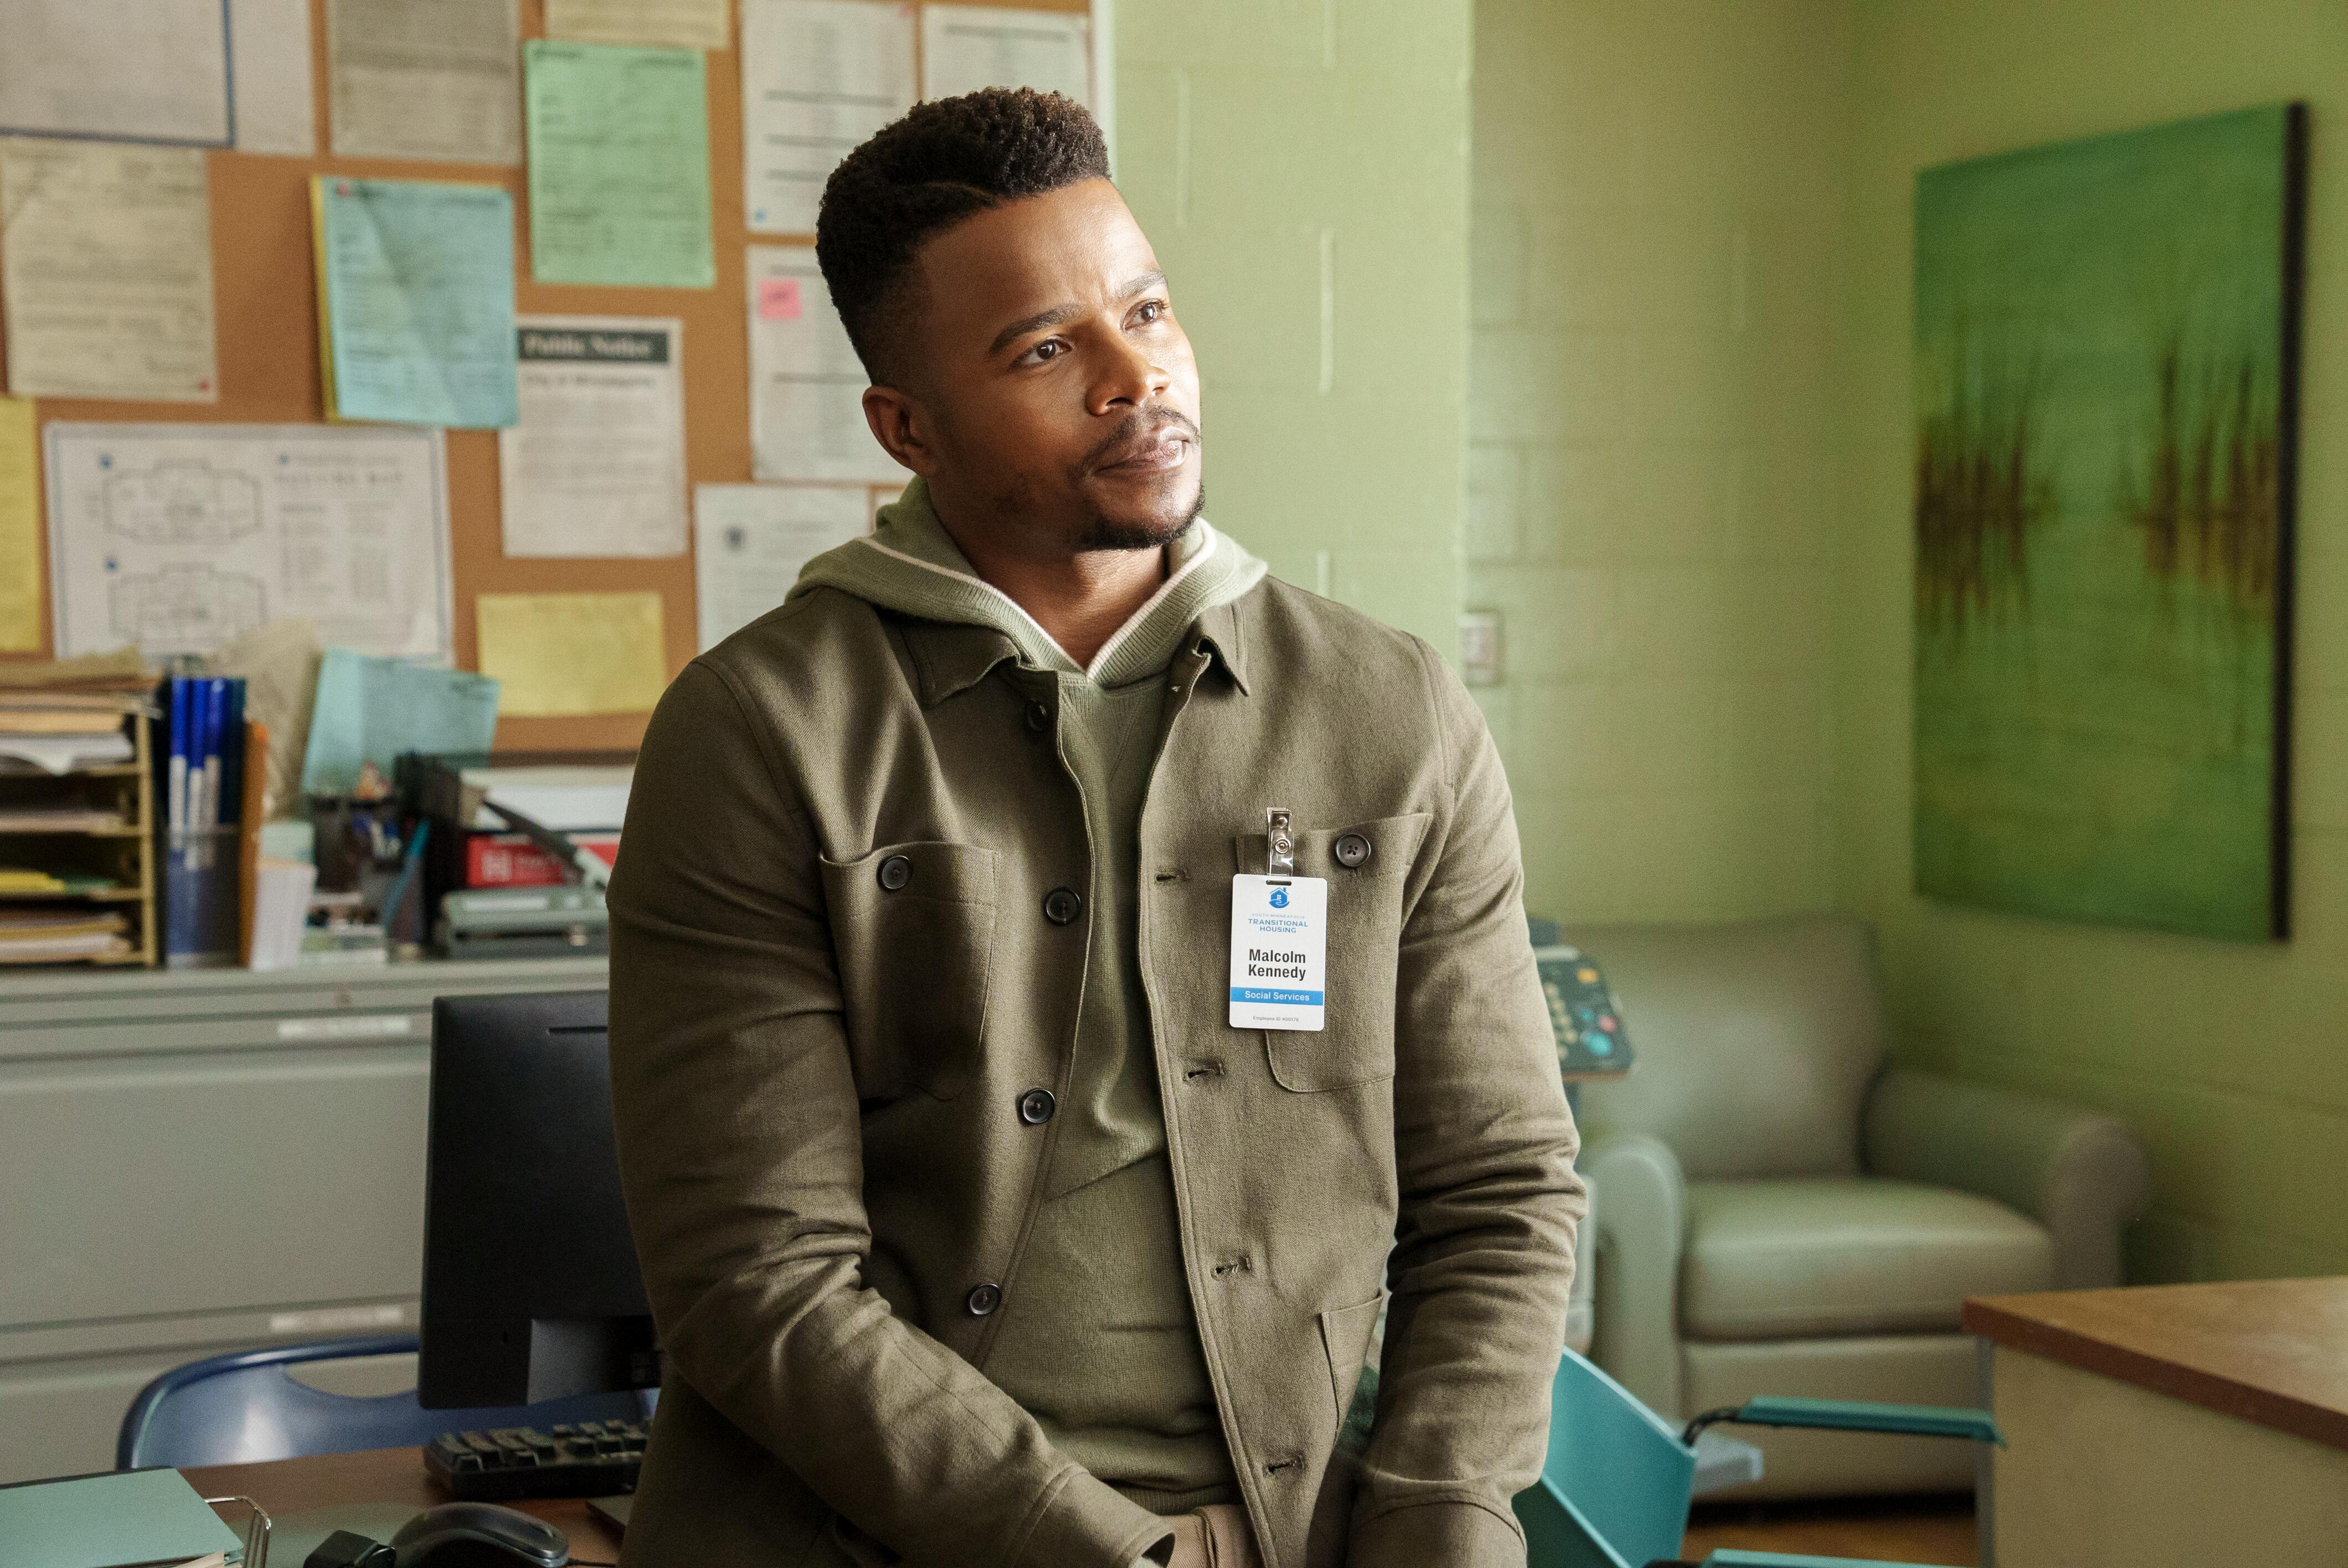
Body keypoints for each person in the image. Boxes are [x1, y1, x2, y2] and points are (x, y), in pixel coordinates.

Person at [607, 87, 1583, 1568]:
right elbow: (759, 1281)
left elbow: (1500, 1190)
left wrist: (1444, 1517)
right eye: (1047, 350)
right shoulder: (758, 731)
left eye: (1148, 311)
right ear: (908, 428)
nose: (1138, 377)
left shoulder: (1391, 710)